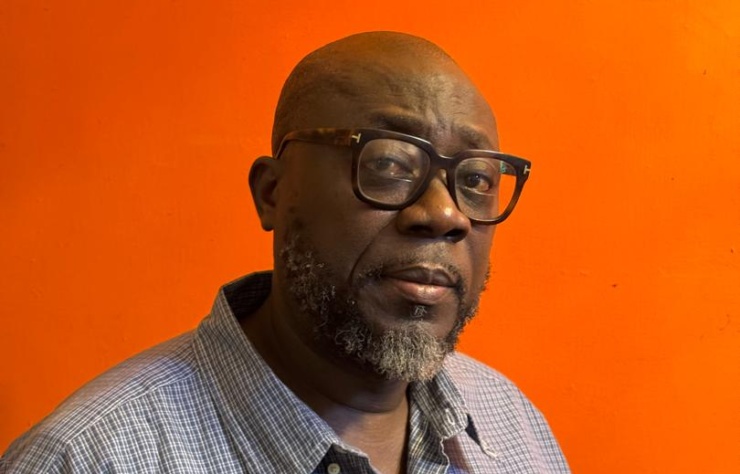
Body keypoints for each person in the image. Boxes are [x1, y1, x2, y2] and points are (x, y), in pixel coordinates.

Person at [1, 31, 569, 473]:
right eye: (389, 164)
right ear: (273, 193)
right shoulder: (87, 458)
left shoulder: (513, 425)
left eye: (476, 180)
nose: (444, 214)